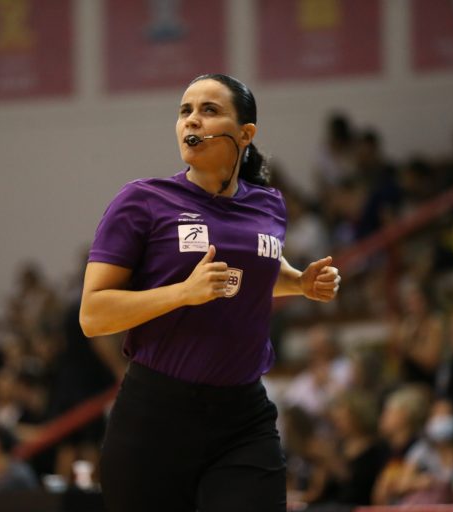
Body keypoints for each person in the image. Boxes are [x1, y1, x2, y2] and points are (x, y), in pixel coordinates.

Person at [80, 73, 341, 512]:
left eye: (209, 110)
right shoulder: (142, 201)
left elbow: (254, 265)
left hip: (243, 418)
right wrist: (183, 293)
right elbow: (93, 314)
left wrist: (299, 282)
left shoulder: (268, 204)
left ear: (245, 134)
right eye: (185, 111)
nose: (192, 120)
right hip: (155, 417)